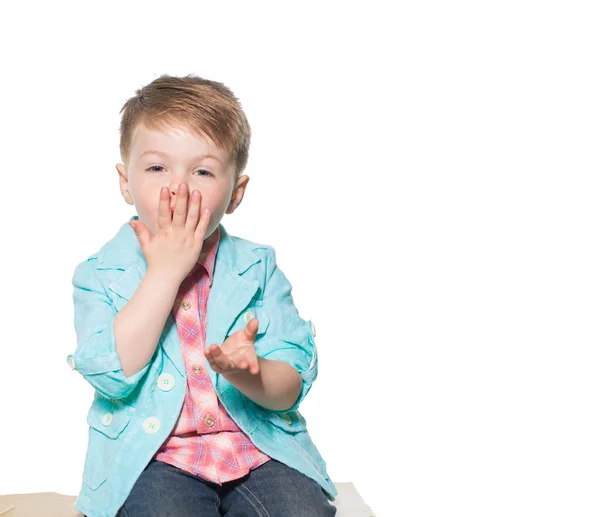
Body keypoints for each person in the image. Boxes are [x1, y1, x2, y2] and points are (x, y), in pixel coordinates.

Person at [66, 74, 337, 517]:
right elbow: (114, 374)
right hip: (154, 458)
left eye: (203, 171)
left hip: (257, 449)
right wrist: (167, 271)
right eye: (156, 168)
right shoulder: (99, 273)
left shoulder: (257, 267)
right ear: (124, 182)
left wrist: (251, 372)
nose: (179, 188)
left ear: (236, 194)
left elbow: (288, 389)